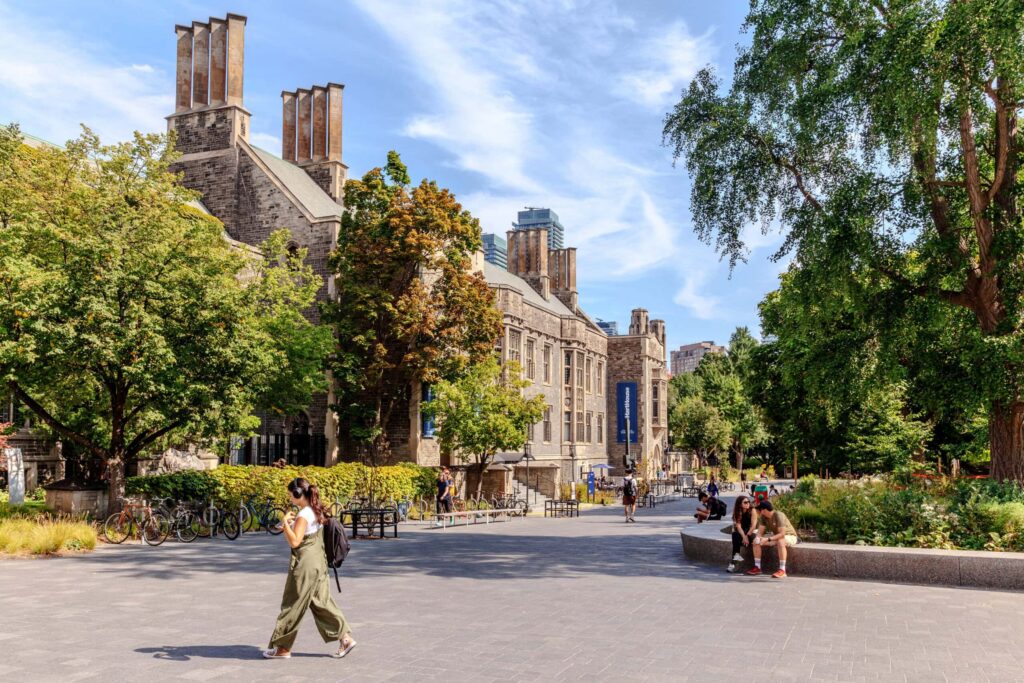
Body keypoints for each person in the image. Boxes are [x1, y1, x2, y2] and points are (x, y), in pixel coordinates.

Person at [264, 477, 355, 659]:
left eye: (290, 495)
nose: (289, 498)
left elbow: (295, 541)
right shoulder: (315, 509)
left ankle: (282, 648)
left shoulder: (303, 515)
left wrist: (285, 524)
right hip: (318, 562)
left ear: (298, 494)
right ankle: (345, 638)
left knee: (292, 603)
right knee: (321, 602)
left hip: (305, 565)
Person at [746, 500, 799, 578]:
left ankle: (782, 570)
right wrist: (758, 538)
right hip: (776, 536)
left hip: (790, 536)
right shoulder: (764, 517)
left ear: (764, 510)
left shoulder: (779, 515)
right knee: (756, 542)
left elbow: (782, 534)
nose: (757, 511)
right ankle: (757, 567)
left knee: (781, 541)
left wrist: (767, 539)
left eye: (759, 509)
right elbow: (760, 532)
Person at [728, 495, 757, 573]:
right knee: (735, 535)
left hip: (750, 531)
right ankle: (735, 559)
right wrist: (744, 537)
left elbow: (753, 525)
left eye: (748, 502)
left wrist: (747, 536)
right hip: (741, 532)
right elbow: (738, 526)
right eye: (745, 502)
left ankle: (735, 559)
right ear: (740, 504)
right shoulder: (737, 512)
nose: (748, 503)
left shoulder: (752, 510)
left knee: (754, 539)